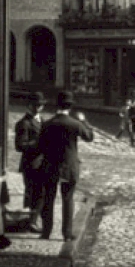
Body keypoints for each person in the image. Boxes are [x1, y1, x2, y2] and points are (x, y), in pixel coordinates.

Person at [36, 91, 94, 241]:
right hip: (69, 167)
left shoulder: (47, 124)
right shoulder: (75, 124)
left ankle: (46, 232)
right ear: (70, 107)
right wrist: (85, 121)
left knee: (48, 199)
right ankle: (67, 234)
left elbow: (40, 146)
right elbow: (89, 137)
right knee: (68, 199)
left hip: (50, 166)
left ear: (57, 105)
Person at [14, 91, 45, 233]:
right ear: (29, 106)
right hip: (31, 164)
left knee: (40, 194)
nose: (38, 108)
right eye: (35, 105)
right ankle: (30, 222)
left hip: (43, 163)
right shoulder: (24, 123)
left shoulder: (42, 121)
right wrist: (39, 143)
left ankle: (32, 219)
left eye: (40, 105)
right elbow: (20, 146)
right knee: (32, 193)